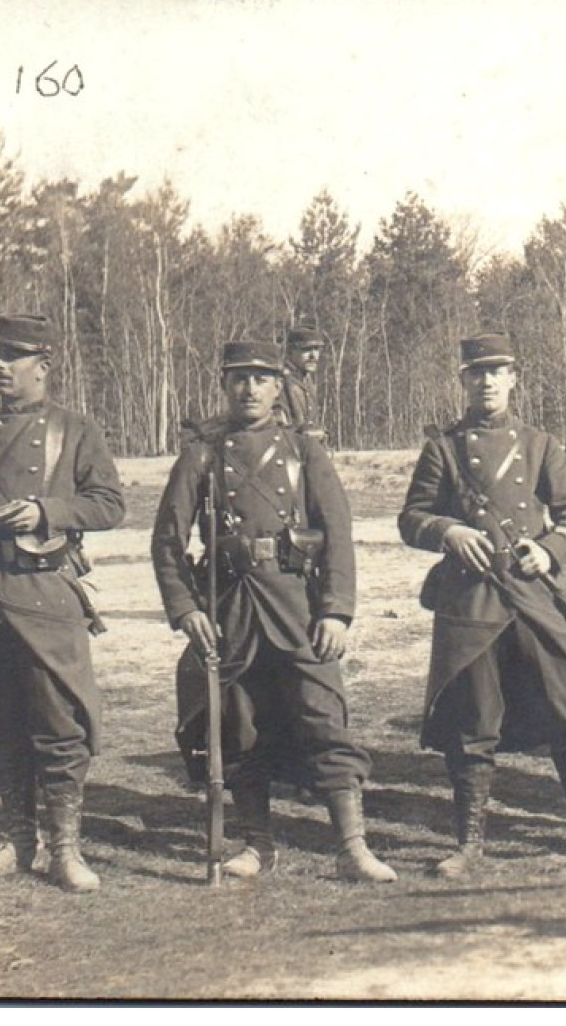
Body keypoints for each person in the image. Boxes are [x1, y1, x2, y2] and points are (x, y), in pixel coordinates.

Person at [152, 342, 394, 883]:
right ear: (225, 383)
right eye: (239, 378)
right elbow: (167, 540)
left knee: (324, 716)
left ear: (279, 386)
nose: (250, 389)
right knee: (237, 725)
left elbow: (336, 533)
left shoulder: (303, 449)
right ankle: (257, 843)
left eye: (262, 378)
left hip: (296, 607)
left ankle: (352, 847)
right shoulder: (202, 451)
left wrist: (336, 611)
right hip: (230, 608)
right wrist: (186, 608)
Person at [399, 333, 566, 877]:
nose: (486, 381)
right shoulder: (443, 449)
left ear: (513, 379)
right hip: (473, 599)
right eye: (476, 373)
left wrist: (548, 550)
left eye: (497, 372)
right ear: (462, 381)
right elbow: (411, 518)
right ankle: (470, 844)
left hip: (534, 596)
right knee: (472, 719)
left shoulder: (541, 445)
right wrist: (449, 531)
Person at [0, 314, 125, 893]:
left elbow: (110, 504)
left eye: (12, 359)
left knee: (59, 723)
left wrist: (47, 512)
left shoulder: (75, 430)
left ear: (43, 367)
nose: (0, 369)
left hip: (44, 595)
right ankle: (19, 841)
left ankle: (65, 849)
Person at [278, 320, 329, 442]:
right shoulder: (280, 382)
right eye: (306, 349)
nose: (313, 355)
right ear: (290, 352)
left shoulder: (306, 380)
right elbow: (277, 428)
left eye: (316, 349)